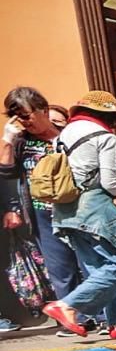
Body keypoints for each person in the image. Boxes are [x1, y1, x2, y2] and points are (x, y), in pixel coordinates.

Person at [39, 91, 116, 340]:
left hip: (65, 209)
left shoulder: (64, 134)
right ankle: (68, 306)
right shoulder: (105, 137)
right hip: (92, 209)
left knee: (99, 267)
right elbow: (111, 184)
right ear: (109, 117)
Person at [1, 89, 83, 335]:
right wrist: (7, 140)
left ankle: (99, 315)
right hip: (42, 213)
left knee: (88, 263)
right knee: (60, 268)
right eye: (17, 117)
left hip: (77, 208)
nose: (24, 122)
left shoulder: (67, 136)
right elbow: (5, 174)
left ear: (43, 110)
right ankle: (70, 320)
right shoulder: (21, 142)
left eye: (26, 115)